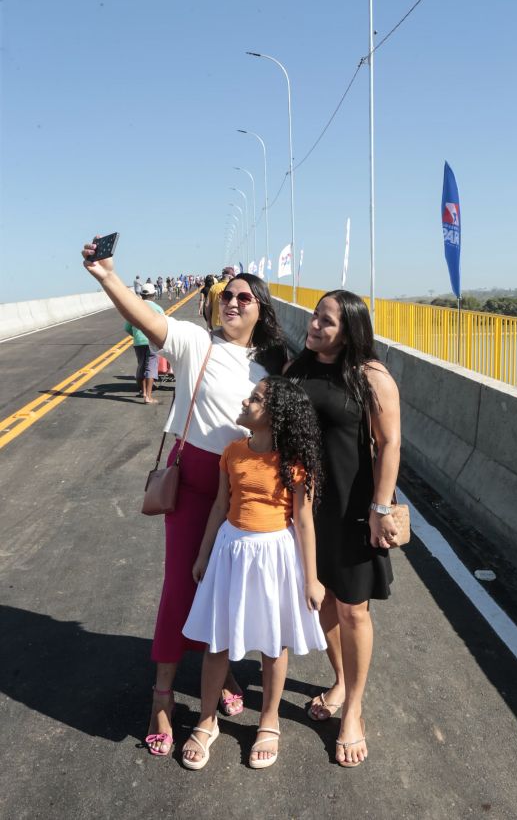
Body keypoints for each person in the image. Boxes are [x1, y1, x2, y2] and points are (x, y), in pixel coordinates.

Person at [81, 239, 287, 757]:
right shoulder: (198, 343)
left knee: (228, 591)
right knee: (181, 587)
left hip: (246, 491)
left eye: (244, 297)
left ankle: (223, 676)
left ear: (261, 310)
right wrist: (108, 277)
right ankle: (162, 696)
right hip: (195, 482)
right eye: (226, 295)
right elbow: (147, 318)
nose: (232, 301)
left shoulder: (274, 367)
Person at [180, 376, 326, 770]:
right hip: (231, 551)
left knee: (274, 644)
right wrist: (203, 554)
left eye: (256, 399)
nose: (246, 401)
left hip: (275, 556)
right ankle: (206, 720)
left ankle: (269, 720)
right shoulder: (232, 452)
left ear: (275, 415)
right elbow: (219, 506)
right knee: (217, 641)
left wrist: (311, 578)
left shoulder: (294, 464)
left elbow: (304, 522)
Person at [284, 290, 401, 768]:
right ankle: (339, 680)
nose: (314, 325)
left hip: (353, 508)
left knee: (353, 609)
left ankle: (353, 709)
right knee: (324, 602)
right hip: (306, 509)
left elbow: (389, 443)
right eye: (314, 316)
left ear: (349, 331)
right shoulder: (297, 368)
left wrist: (380, 507)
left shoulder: (371, 376)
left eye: (326, 321)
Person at [124, 284, 165, 404]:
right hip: (152, 341)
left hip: (138, 342)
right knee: (151, 367)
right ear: (154, 294)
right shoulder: (158, 308)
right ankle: (148, 397)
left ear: (141, 295)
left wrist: (137, 336)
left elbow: (127, 327)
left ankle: (143, 391)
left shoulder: (134, 308)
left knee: (141, 366)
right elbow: (163, 326)